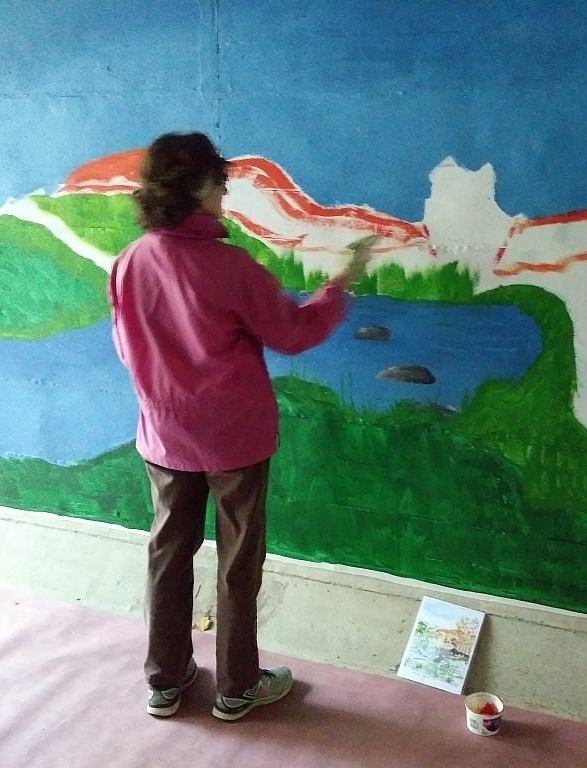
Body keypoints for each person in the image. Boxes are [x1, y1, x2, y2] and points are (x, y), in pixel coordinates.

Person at [108, 132, 372, 721]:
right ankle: (235, 689)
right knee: (236, 562)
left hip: (165, 437)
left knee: (168, 555)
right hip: (235, 441)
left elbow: (128, 349)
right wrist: (338, 287)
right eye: (221, 182)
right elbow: (294, 333)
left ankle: (167, 681)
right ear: (201, 187)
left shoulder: (129, 263)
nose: (226, 192)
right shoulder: (230, 267)